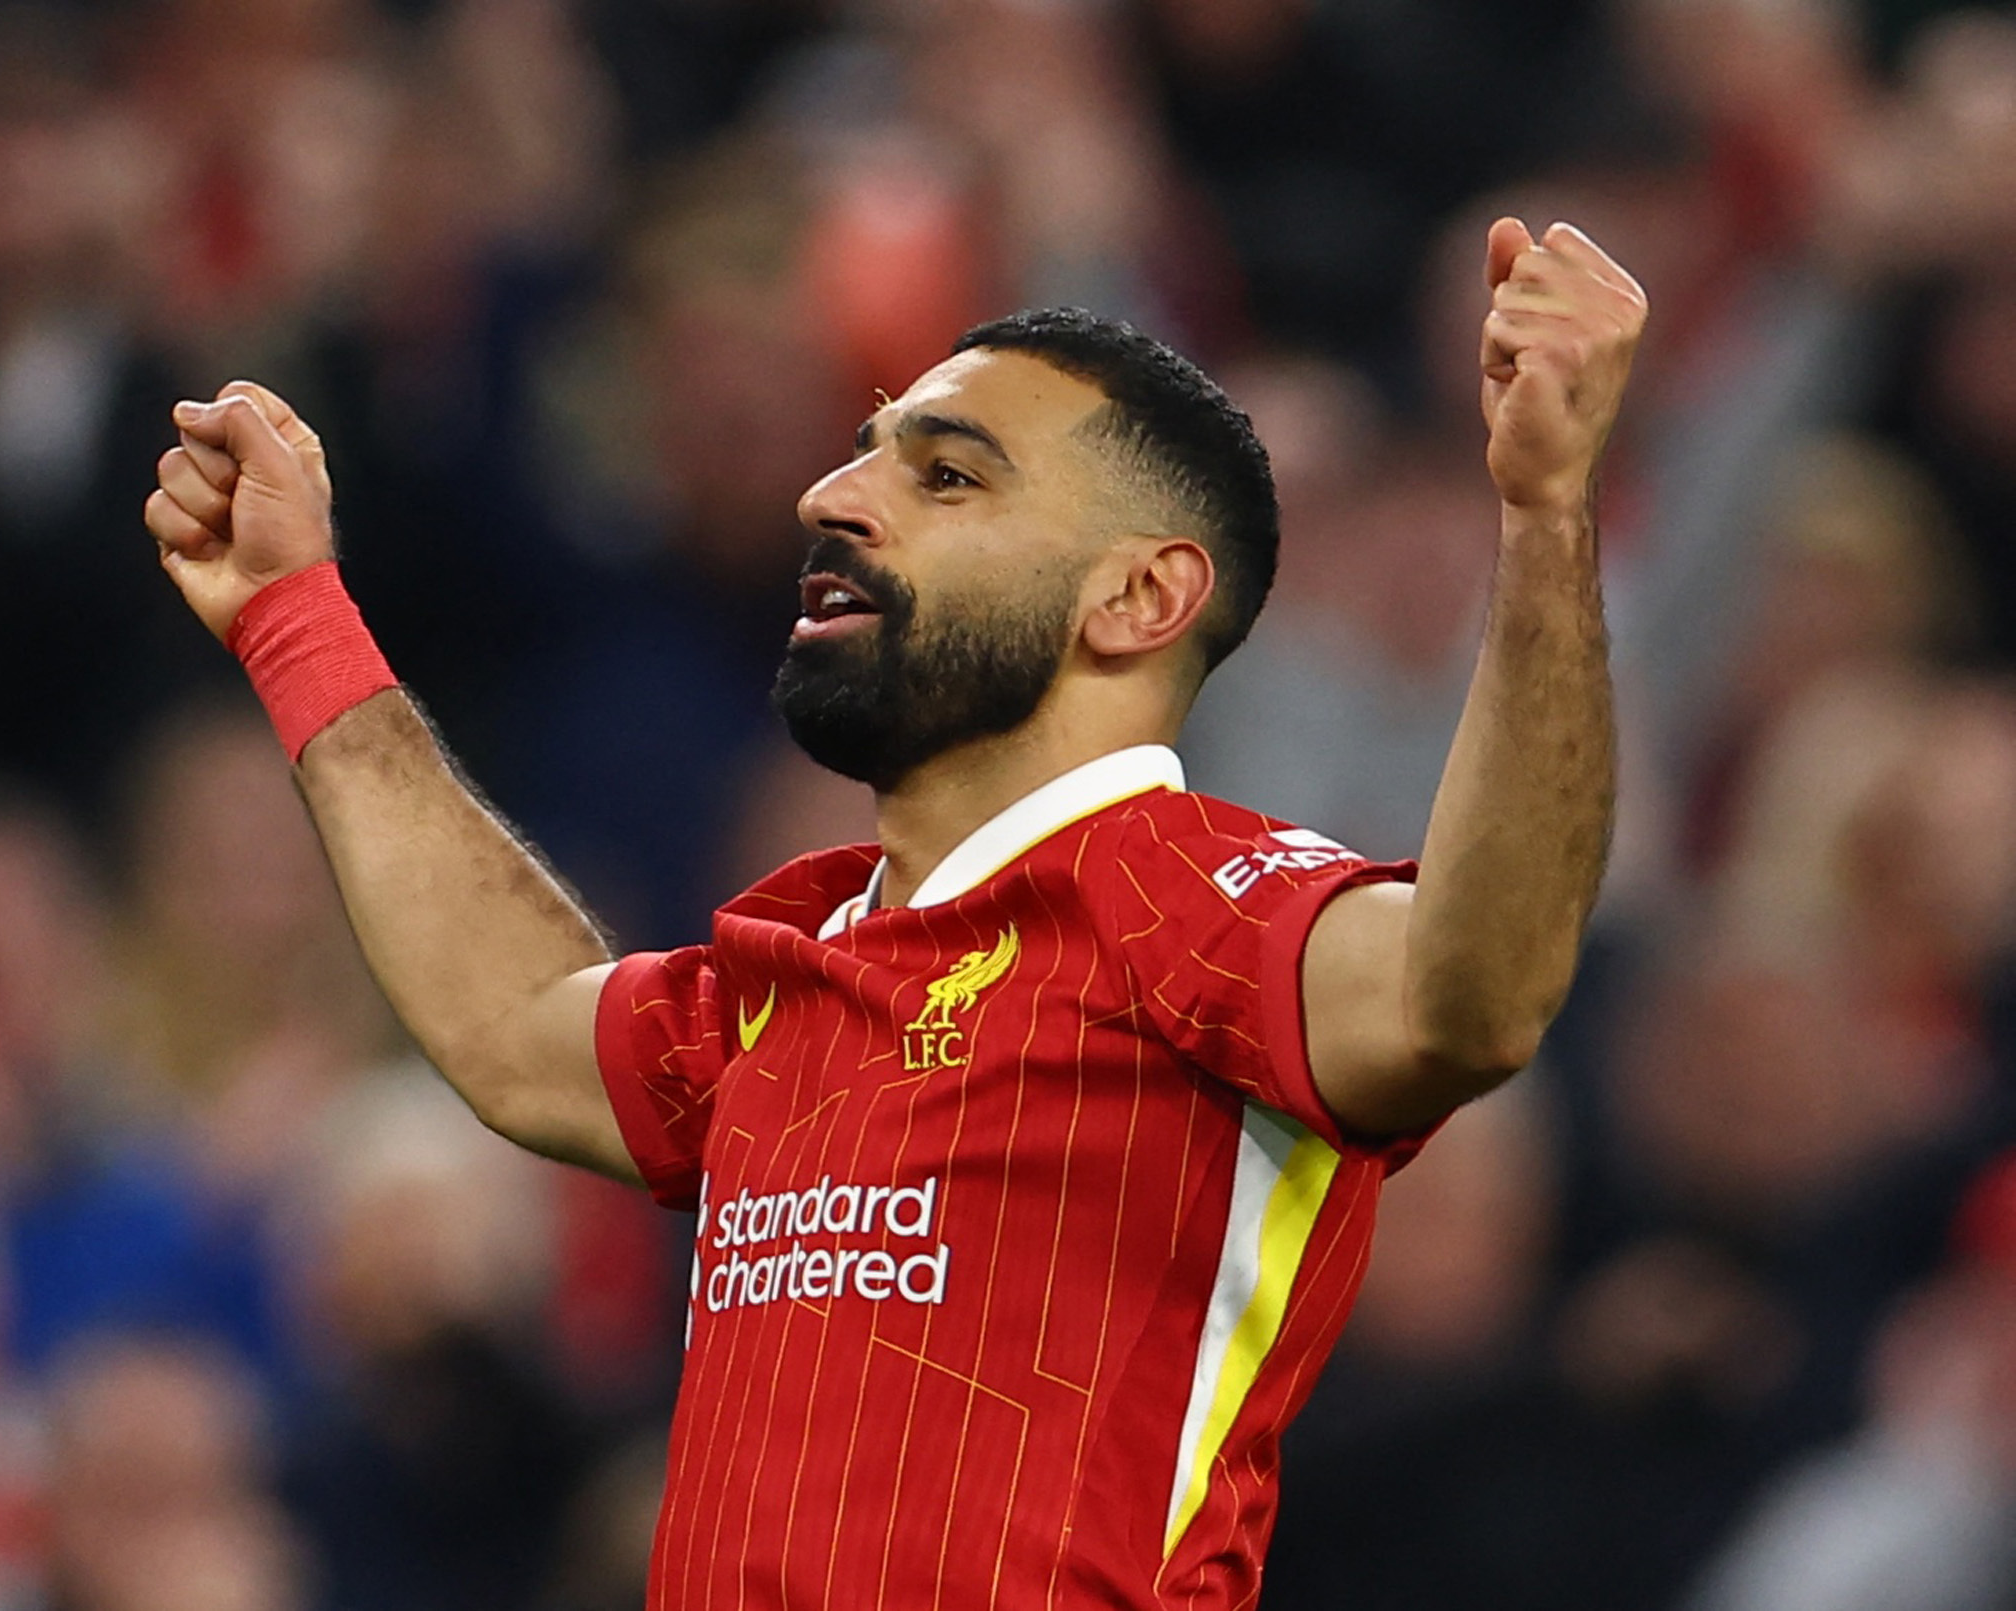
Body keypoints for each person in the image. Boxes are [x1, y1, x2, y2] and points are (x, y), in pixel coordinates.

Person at [142, 216, 1643, 1607]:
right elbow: (522, 1026)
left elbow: (1477, 986)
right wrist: (296, 617)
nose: (830, 495)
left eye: (945, 475)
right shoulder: (795, 965)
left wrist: (1547, 511)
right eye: (863, 454)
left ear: (1138, 598)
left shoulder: (1207, 905)